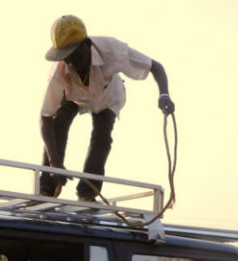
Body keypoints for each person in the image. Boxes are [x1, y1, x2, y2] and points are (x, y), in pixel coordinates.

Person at [39, 15, 175, 200]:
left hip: (107, 95)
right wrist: (55, 164)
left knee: (101, 137)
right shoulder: (60, 71)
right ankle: (48, 188)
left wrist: (164, 94)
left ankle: (87, 192)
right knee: (58, 125)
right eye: (66, 58)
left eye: (76, 56)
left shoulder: (113, 51)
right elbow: (45, 117)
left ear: (87, 44)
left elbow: (155, 67)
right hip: (73, 95)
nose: (72, 64)